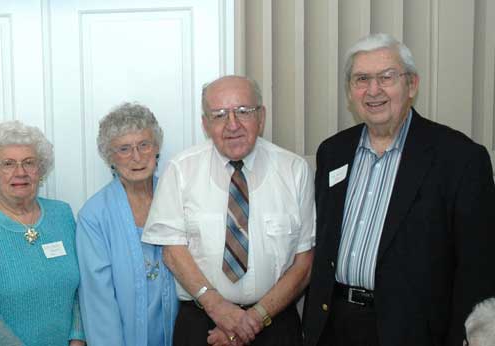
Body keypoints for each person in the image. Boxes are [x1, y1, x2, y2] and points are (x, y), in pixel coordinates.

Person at [301, 33, 495, 346]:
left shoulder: (459, 158)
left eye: (387, 77)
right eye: (361, 79)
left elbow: (478, 268)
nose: (373, 90)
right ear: (350, 91)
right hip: (333, 325)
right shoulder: (333, 152)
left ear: (412, 85)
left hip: (412, 329)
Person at [142, 75, 315, 346]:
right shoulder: (181, 170)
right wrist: (218, 309)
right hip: (203, 324)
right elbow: (173, 252)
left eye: (243, 112)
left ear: (262, 116)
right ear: (205, 124)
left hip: (274, 324)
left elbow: (304, 262)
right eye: (219, 115)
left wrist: (252, 320)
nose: (232, 124)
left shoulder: (294, 171)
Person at [0, 120, 85, 346]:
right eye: (8, 164)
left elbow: (81, 289)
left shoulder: (62, 215)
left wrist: (78, 338)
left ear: (40, 170)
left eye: (29, 163)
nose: (20, 172)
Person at [76, 103, 179, 346]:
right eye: (124, 149)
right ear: (109, 157)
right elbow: (97, 300)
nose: (136, 157)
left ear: (156, 149)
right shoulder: (94, 215)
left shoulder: (178, 198)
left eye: (144, 145)